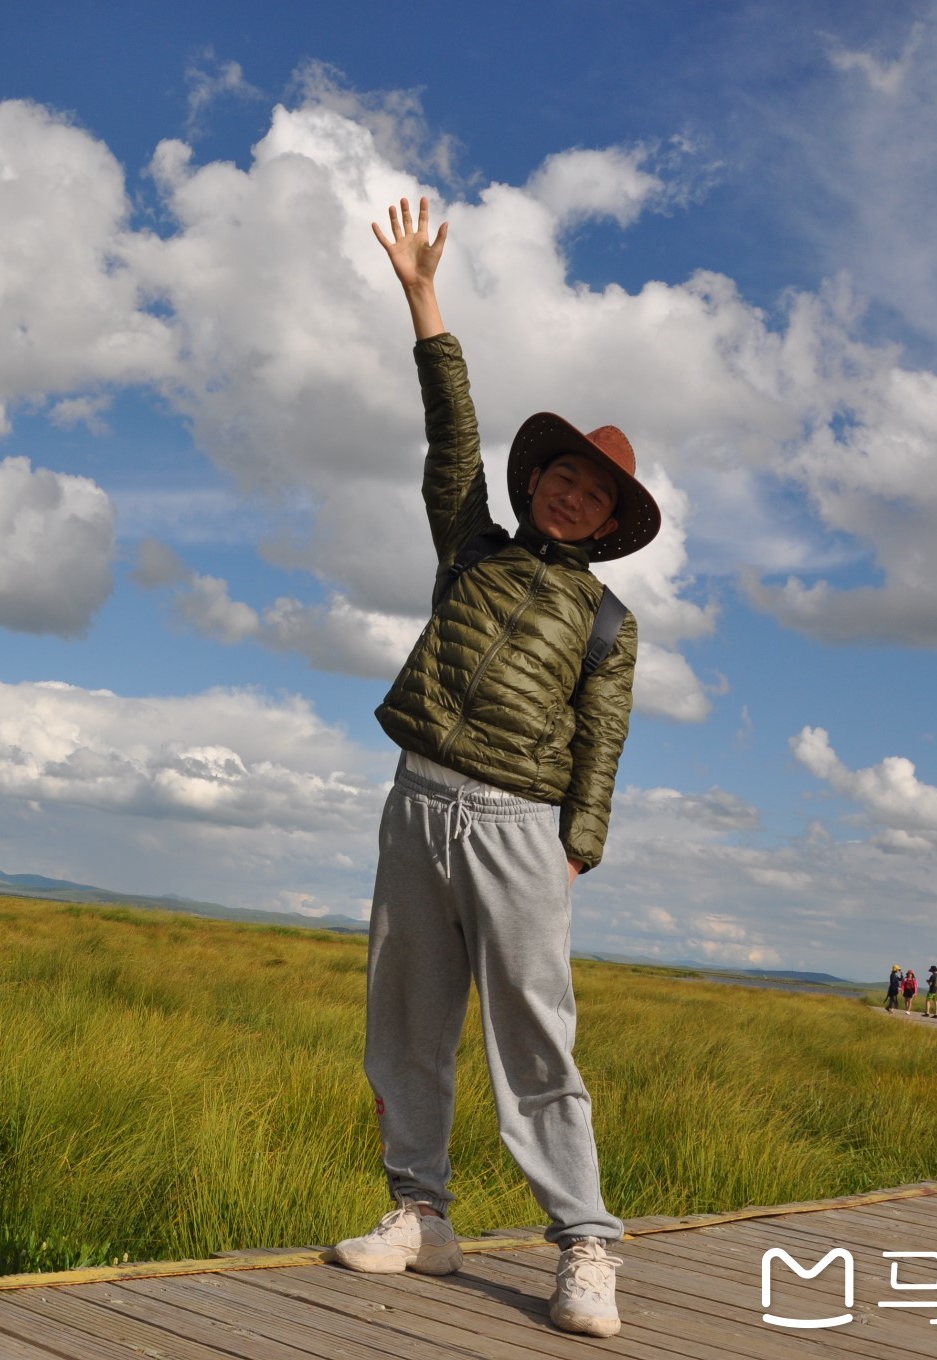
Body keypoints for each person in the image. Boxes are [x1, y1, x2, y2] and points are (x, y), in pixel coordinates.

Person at [331, 197, 657, 1341]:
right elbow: (450, 436)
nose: (570, 493)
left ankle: (583, 1245)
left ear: (610, 523)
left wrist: (578, 843)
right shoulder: (467, 542)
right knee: (404, 1017)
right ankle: (420, 1215)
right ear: (537, 482)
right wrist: (422, 298)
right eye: (561, 476)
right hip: (416, 799)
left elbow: (601, 741)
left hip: (520, 824)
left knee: (535, 1036)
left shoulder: (607, 622)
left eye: (593, 494)